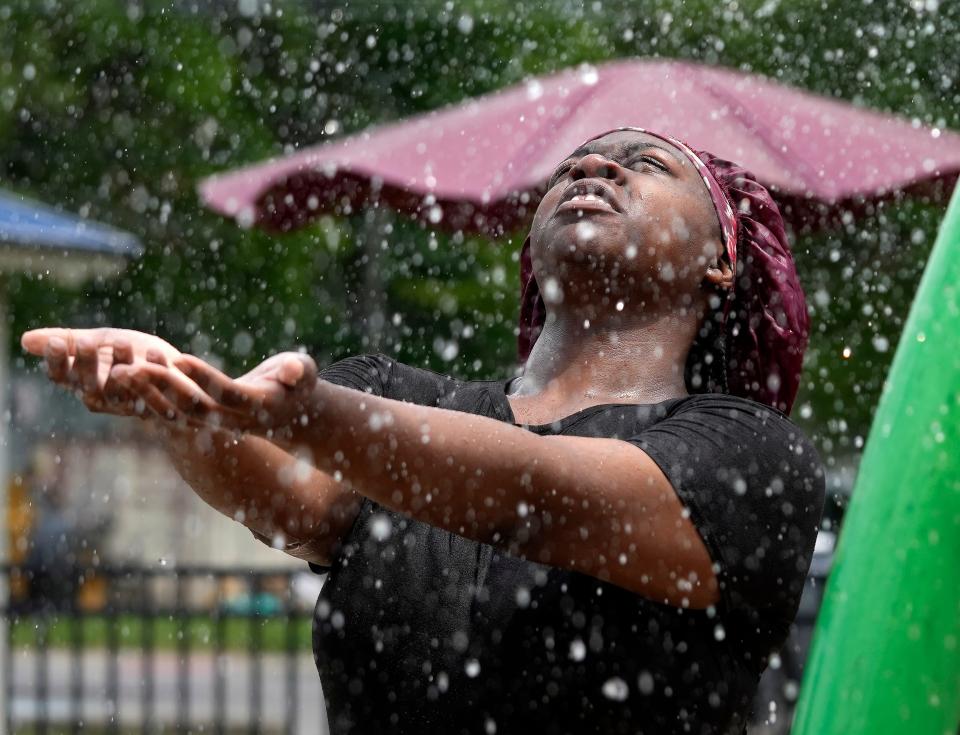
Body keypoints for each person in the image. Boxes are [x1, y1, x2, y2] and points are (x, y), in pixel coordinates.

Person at [22, 127, 825, 735]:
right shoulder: (391, 393)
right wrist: (187, 407)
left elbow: (543, 492)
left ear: (722, 259)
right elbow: (290, 501)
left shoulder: (753, 454)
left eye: (646, 165)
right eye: (570, 166)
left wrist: (309, 415)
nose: (592, 167)